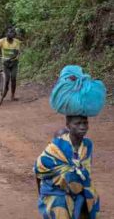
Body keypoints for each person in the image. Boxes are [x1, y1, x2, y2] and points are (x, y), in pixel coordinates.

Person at [34, 65, 106, 219]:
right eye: (77, 123)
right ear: (68, 126)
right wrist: (43, 193)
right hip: (57, 192)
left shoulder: (88, 145)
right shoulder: (57, 146)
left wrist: (77, 181)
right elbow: (39, 169)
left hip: (80, 189)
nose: (82, 127)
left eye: (85, 123)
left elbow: (85, 172)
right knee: (60, 207)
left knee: (90, 197)